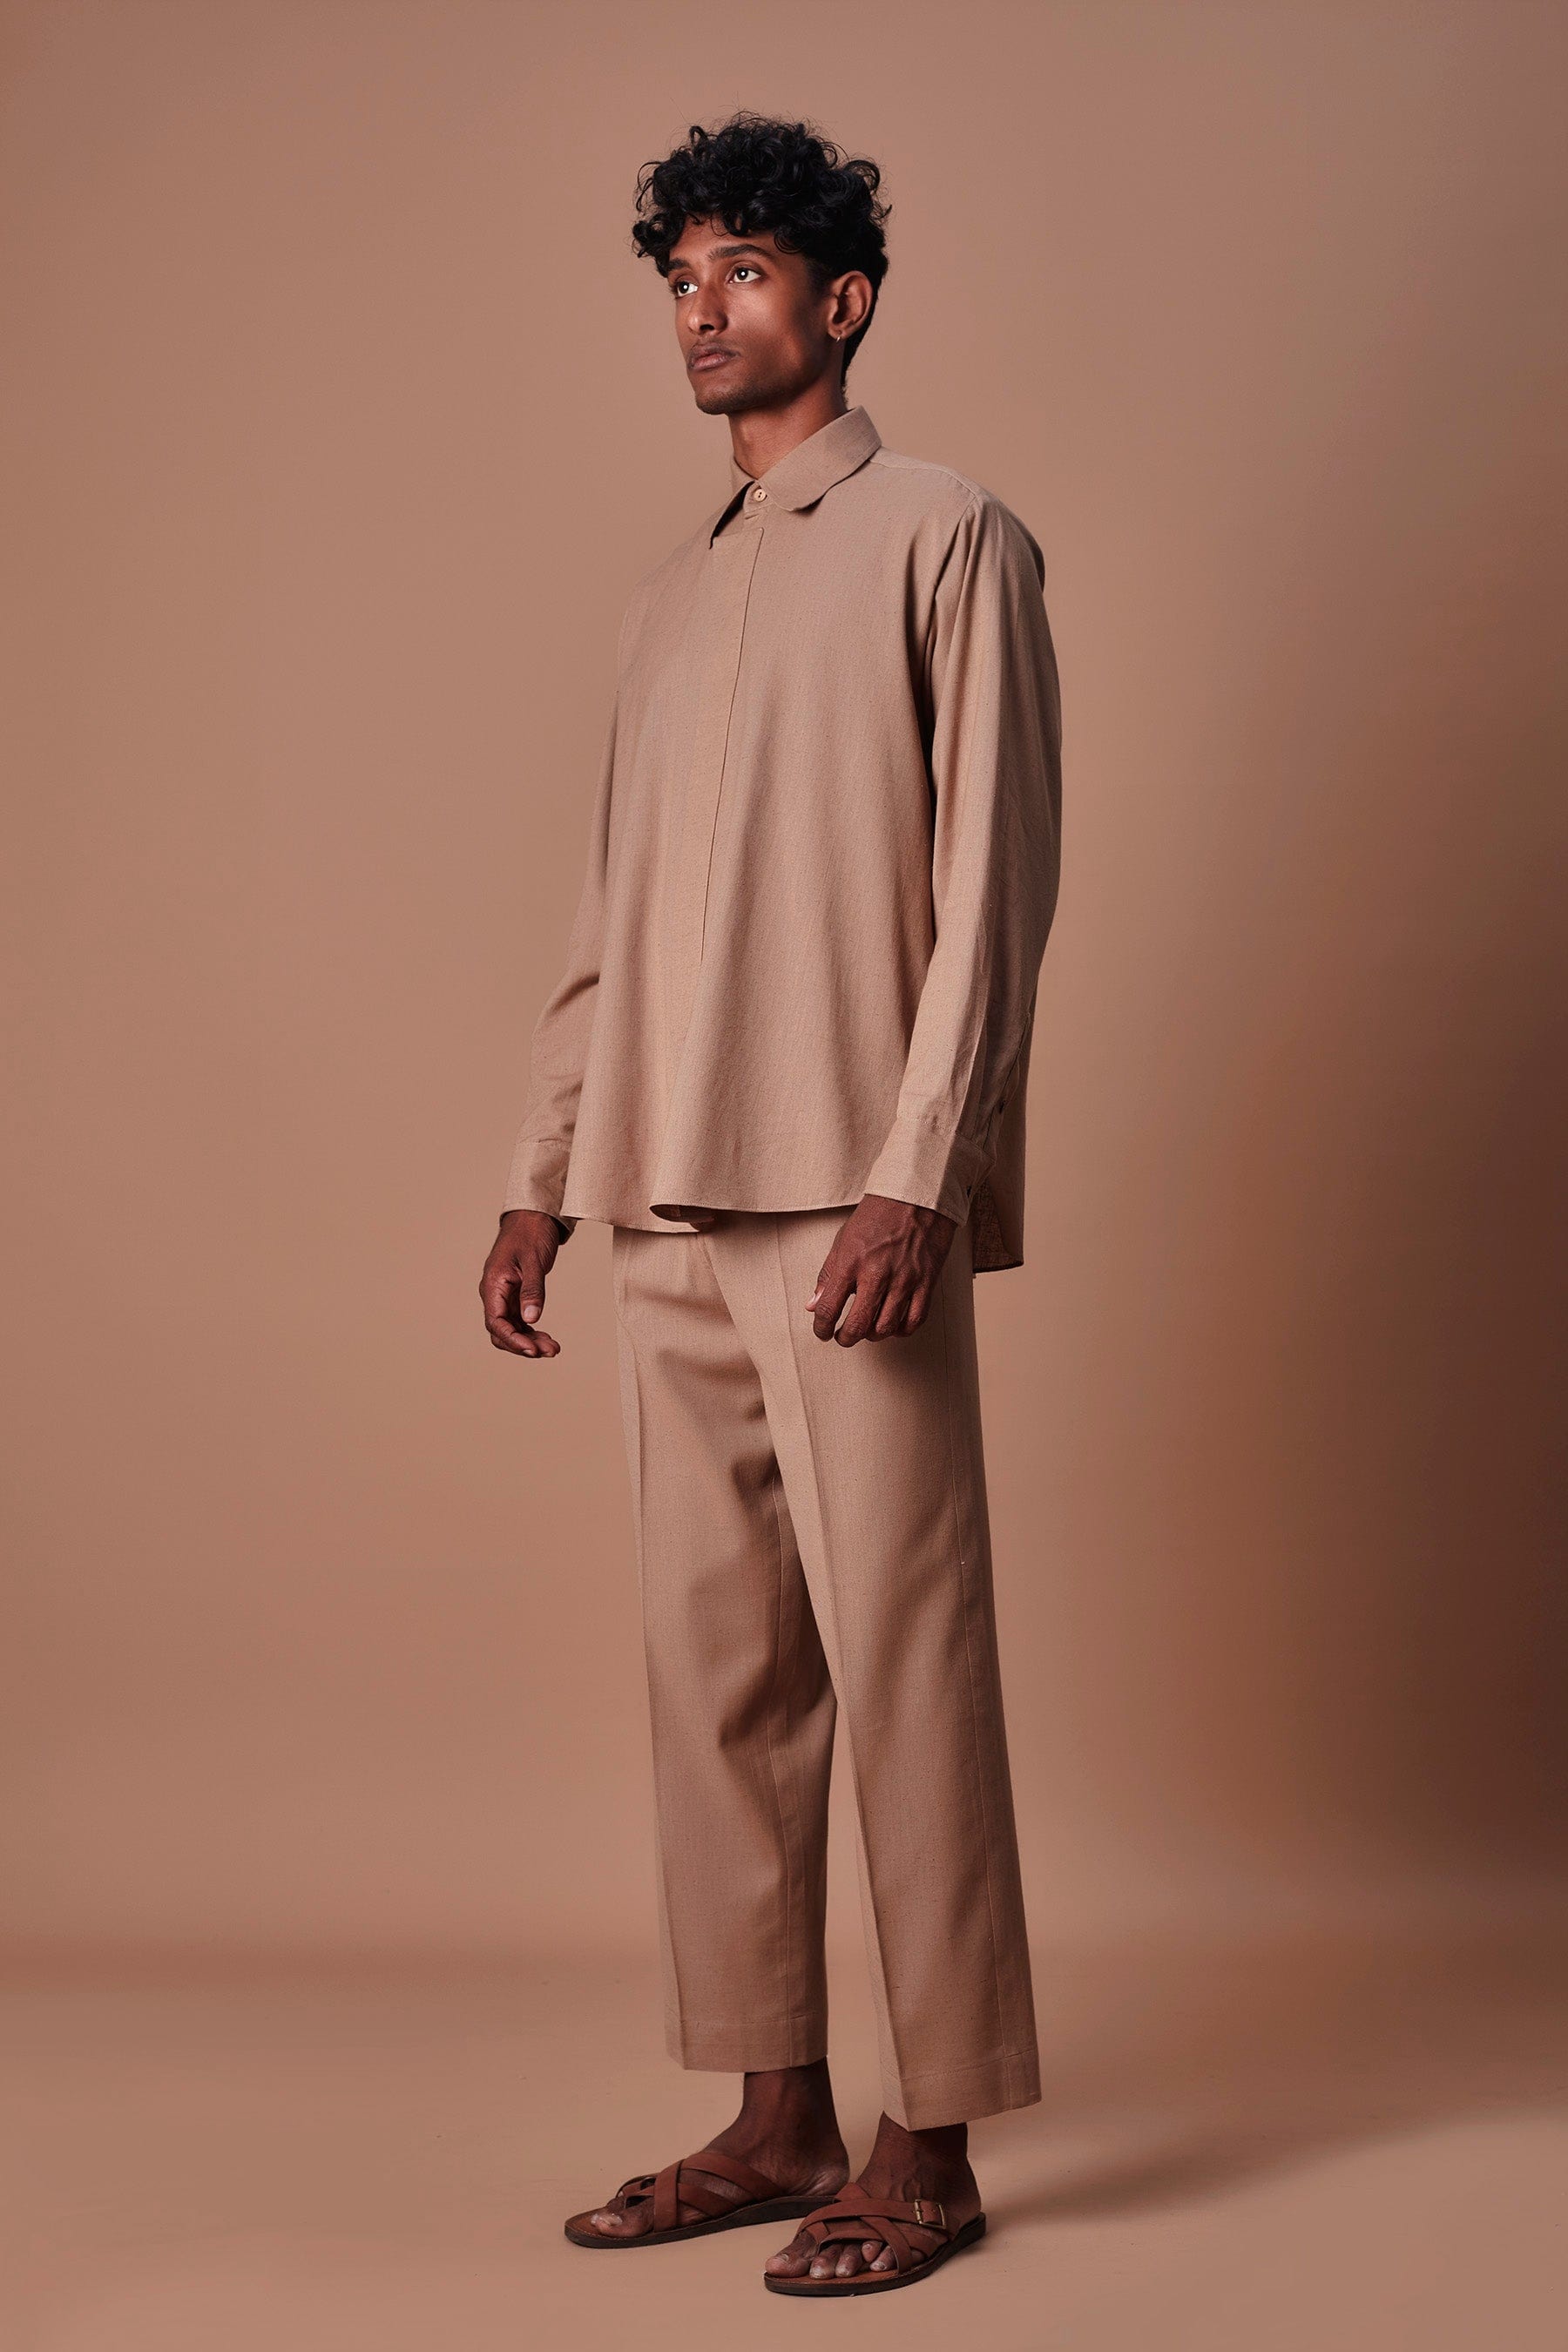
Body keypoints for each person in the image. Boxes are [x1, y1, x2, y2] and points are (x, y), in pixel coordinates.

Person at [480, 110, 1062, 2300]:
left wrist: (922, 1169)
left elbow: (994, 888)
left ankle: (934, 2138)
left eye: (742, 272)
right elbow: (610, 917)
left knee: (905, 1663)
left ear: (845, 298)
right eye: (682, 280)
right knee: (716, 1676)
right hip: (661, 1194)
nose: (703, 312)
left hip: (848, 1200)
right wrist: (541, 1177)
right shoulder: (667, 599)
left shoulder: (948, 536)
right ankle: (772, 2109)